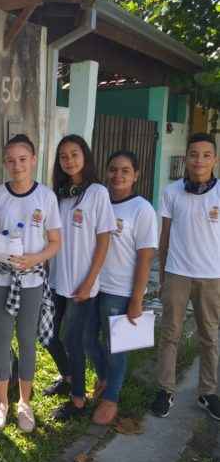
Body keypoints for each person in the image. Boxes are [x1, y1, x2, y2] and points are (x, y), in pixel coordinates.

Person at [0, 134, 61, 432]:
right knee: (1, 340)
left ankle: (24, 402)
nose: (17, 165)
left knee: (27, 341)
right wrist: (1, 247)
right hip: (1, 279)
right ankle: (1, 402)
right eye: (11, 160)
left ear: (34, 160)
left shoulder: (46, 197)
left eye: (23, 159)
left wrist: (34, 258)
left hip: (32, 282)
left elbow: (54, 242)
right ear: (5, 163)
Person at [44, 134, 116, 421]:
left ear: (85, 157)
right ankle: (69, 377)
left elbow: (103, 240)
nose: (69, 160)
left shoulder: (97, 192)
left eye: (74, 154)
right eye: (63, 156)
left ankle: (78, 399)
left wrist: (89, 282)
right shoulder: (59, 194)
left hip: (82, 285)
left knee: (72, 339)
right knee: (48, 335)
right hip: (55, 280)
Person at [85, 151, 157, 425]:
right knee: (86, 339)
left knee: (117, 346)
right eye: (113, 169)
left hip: (121, 290)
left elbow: (145, 257)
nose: (118, 175)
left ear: (136, 175)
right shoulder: (100, 203)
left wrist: (137, 298)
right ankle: (104, 376)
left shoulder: (142, 209)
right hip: (93, 285)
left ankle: (111, 397)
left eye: (125, 170)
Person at [151, 133, 220, 420]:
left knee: (210, 336)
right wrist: (164, 276)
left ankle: (208, 392)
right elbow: (164, 236)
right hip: (177, 273)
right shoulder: (171, 192)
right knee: (170, 334)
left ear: (215, 159)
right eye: (194, 154)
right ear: (186, 158)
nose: (199, 160)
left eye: (206, 154)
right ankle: (165, 389)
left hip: (213, 276)